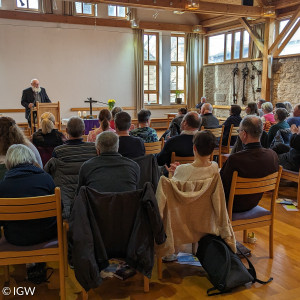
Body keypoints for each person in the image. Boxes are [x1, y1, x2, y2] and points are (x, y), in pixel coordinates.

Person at [156, 130, 236, 257]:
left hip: (181, 224)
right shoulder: (215, 169)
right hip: (206, 223)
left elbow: (173, 193)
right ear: (212, 150)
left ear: (194, 148)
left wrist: (172, 173)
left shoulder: (182, 170)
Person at [0, 144, 57, 246]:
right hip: (46, 234)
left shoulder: (2, 186)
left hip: (15, 239)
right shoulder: (46, 179)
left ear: (8, 162)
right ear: (31, 158)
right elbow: (59, 208)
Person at [220, 115, 279, 212]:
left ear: (244, 134)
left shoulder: (235, 159)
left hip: (232, 206)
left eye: (239, 131)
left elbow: (222, 187)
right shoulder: (272, 155)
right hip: (254, 203)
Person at [45, 117, 97, 219]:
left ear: (67, 131)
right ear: (83, 131)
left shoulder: (59, 151)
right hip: (90, 200)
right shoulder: (93, 148)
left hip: (66, 202)